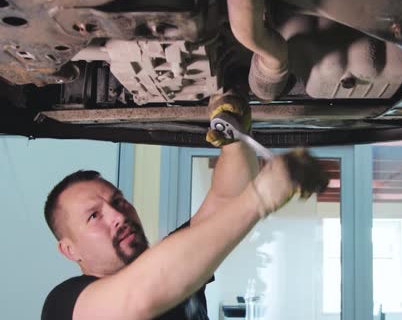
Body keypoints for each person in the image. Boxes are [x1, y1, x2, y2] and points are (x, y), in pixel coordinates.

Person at [41, 92, 328, 320]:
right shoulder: (64, 304)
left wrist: (232, 137)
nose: (118, 215)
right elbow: (139, 296)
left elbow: (226, 199)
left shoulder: (174, 258)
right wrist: (261, 198)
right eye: (94, 216)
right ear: (70, 250)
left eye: (118, 201)